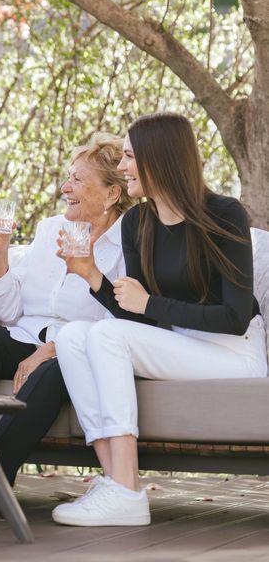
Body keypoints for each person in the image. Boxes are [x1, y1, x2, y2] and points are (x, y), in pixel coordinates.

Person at [53, 112, 267, 527]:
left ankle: (127, 491)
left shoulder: (224, 214)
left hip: (233, 353)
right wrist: (92, 275)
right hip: (179, 344)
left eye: (130, 156)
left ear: (159, 157)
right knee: (75, 335)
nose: (121, 167)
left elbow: (236, 317)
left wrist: (150, 303)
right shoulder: (139, 222)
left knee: (107, 335)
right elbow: (141, 321)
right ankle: (115, 479)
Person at [0, 132, 133, 518]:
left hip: (76, 349)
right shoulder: (50, 228)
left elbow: (117, 320)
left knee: (52, 372)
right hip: (25, 335)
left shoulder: (128, 243)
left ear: (111, 195)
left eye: (78, 181)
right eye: (67, 177)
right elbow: (9, 308)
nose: (64, 188)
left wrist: (48, 351)